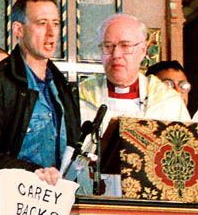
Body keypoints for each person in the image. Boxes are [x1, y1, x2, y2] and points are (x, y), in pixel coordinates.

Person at [0, 0, 81, 175]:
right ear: (19, 29)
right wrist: (33, 171)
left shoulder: (62, 86)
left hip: (60, 197)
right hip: (15, 199)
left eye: (56, 24)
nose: (51, 33)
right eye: (42, 24)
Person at [78, 14, 190, 195]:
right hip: (94, 206)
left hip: (150, 211)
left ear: (143, 50)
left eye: (125, 46)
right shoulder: (80, 98)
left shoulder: (167, 102)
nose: (116, 55)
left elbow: (185, 164)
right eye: (108, 47)